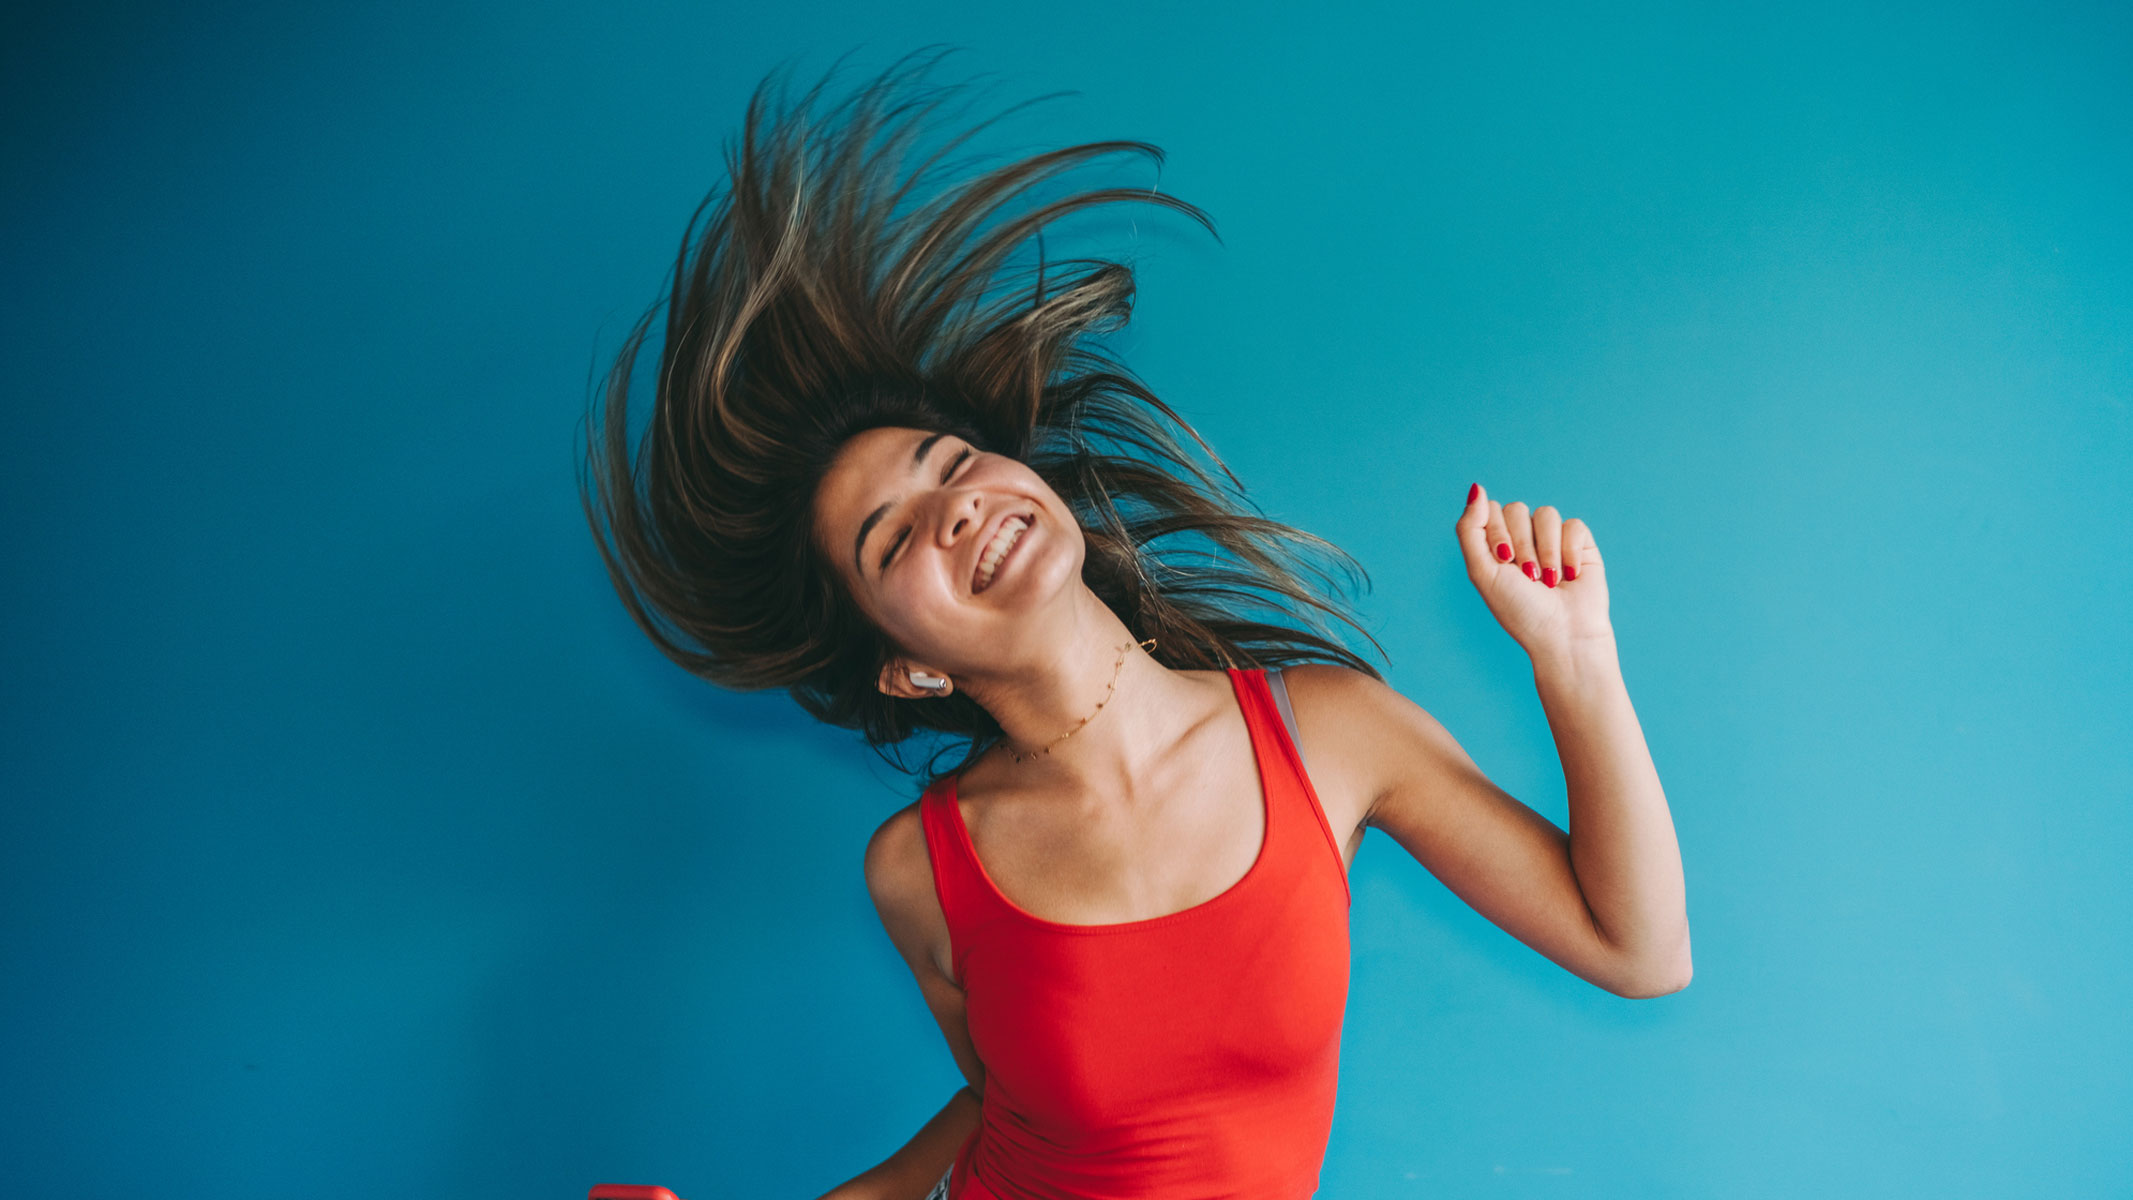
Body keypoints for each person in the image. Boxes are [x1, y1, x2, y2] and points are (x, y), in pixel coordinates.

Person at [579, 46, 1690, 1200]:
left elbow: (1640, 949)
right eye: (894, 539)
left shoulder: (1330, 735)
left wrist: (1575, 660)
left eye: (950, 461)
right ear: (905, 668)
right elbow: (1004, 1112)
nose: (953, 507)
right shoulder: (922, 869)